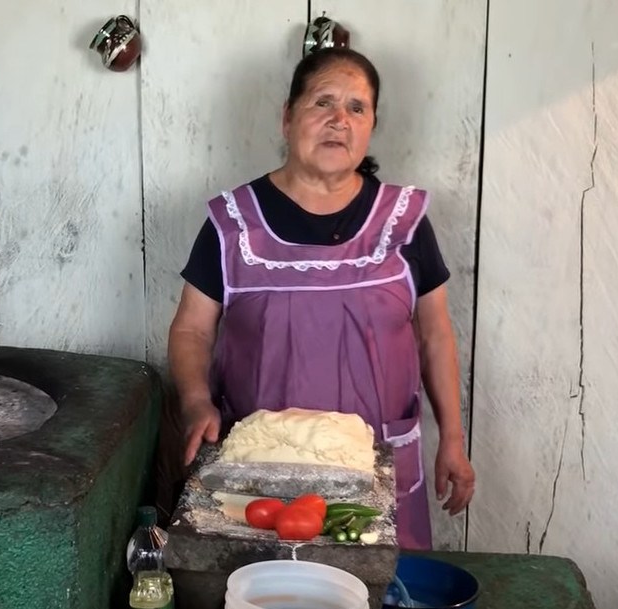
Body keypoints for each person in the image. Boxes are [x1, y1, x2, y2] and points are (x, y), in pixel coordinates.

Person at [165, 47, 475, 549]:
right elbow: (192, 328)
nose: (339, 120)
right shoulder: (234, 223)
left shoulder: (405, 221)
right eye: (322, 102)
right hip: (260, 469)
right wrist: (196, 400)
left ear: (372, 124)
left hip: (375, 465)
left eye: (357, 107)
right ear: (288, 117)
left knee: (376, 590)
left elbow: (435, 333)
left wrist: (454, 442)